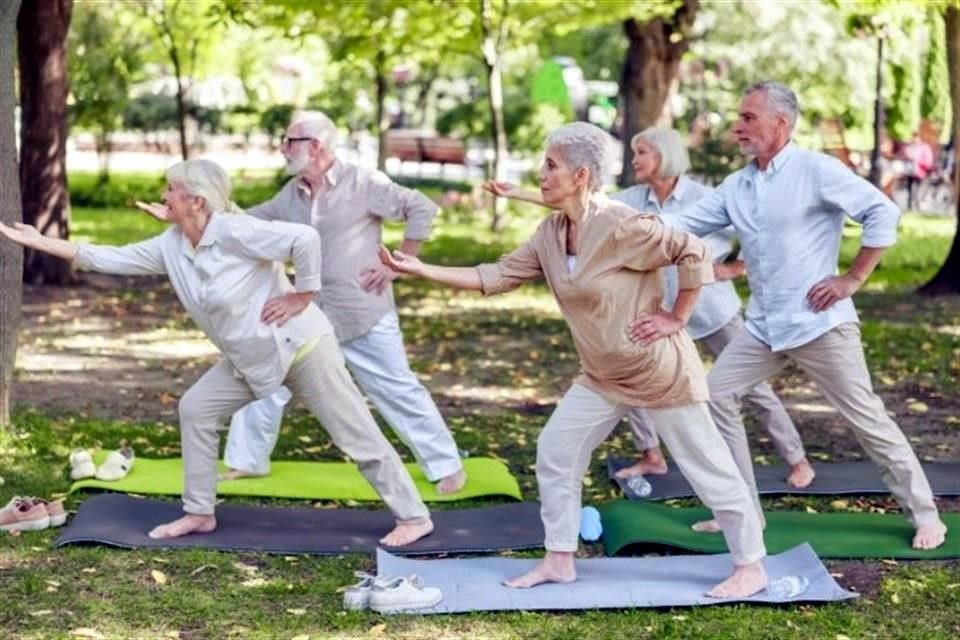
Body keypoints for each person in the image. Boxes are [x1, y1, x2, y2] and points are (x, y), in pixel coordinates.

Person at [380, 122, 768, 597]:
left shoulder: (621, 224)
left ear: (581, 175)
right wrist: (420, 268)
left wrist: (675, 316)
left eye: (550, 165)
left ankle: (751, 566)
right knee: (556, 453)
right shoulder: (550, 233)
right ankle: (559, 559)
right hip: (602, 376)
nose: (541, 175)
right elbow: (497, 275)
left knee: (708, 468)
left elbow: (692, 250)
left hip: (657, 372)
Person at [0, 159, 433, 546]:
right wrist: (39, 241)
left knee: (354, 433)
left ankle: (414, 518)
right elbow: (104, 257)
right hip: (251, 359)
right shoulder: (172, 245)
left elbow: (304, 238)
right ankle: (199, 512)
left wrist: (303, 295)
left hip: (301, 346)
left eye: (171, 189)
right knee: (197, 409)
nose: (163, 194)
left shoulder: (234, 231)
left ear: (197, 200)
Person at [650, 81, 948, 550]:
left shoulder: (816, 170)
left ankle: (926, 515)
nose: (737, 126)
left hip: (820, 324)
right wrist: (605, 216)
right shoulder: (738, 185)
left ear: (780, 123)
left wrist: (852, 279)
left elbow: (882, 213)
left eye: (748, 118)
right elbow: (678, 224)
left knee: (869, 421)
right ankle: (742, 509)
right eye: (739, 117)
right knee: (712, 398)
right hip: (764, 328)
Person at [484, 127, 814, 488]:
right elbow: (584, 201)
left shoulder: (703, 196)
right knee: (632, 383)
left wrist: (732, 268)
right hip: (658, 315)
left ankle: (797, 459)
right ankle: (651, 455)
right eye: (635, 152)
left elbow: (755, 232)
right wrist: (520, 194)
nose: (635, 160)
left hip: (712, 309)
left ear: (665, 156)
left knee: (751, 389)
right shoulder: (632, 199)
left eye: (643, 153)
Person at [221, 112, 465, 494]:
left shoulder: (363, 182)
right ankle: (247, 460)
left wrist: (401, 265)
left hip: (361, 310)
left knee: (395, 387)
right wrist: (201, 211)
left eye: (289, 141)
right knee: (265, 371)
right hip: (307, 312)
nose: (283, 148)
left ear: (315, 146)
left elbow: (421, 207)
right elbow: (251, 221)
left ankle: (446, 465)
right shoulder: (292, 194)